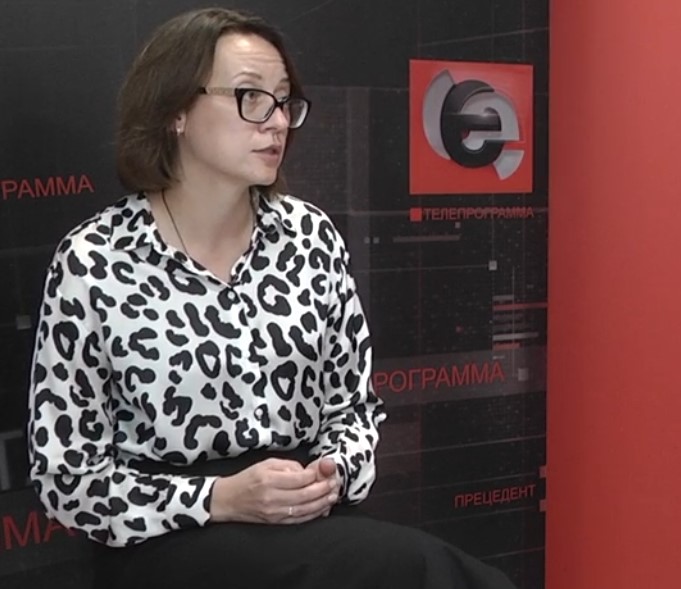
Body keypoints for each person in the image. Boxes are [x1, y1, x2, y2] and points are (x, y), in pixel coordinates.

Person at [27, 7, 516, 589]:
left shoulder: (310, 237)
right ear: (175, 110)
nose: (277, 120)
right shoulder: (95, 259)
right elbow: (67, 478)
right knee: (418, 569)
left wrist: (331, 474)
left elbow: (353, 411)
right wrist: (219, 498)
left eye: (284, 101)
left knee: (380, 561)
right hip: (166, 538)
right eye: (250, 97)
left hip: (306, 523)